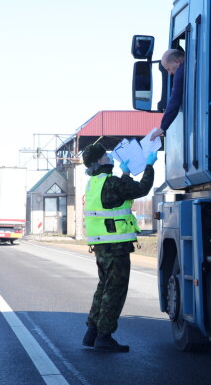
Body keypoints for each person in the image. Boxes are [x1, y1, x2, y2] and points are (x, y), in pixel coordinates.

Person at [81, 142, 158, 352]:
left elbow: (117, 198)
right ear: (99, 161)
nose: (110, 158)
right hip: (116, 247)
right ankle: (104, 336)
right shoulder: (111, 182)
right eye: (106, 157)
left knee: (103, 287)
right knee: (115, 291)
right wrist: (149, 166)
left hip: (101, 246)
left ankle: (92, 332)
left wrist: (124, 173)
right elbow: (141, 189)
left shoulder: (94, 183)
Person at [150, 49, 185, 141]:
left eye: (168, 69)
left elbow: (175, 99)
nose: (169, 73)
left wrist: (162, 127)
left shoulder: (180, 72)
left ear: (176, 62)